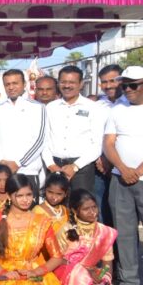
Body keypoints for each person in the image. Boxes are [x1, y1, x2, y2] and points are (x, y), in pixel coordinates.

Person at [103, 65, 143, 285]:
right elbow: (108, 143)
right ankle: (129, 281)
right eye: (125, 85)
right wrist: (123, 169)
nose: (128, 89)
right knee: (124, 233)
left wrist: (138, 171)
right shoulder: (118, 109)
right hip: (120, 179)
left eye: (133, 85)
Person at [54, 188, 125, 285]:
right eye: (86, 209)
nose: (92, 212)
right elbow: (57, 259)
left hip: (93, 276)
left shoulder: (104, 232)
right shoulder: (66, 230)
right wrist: (84, 270)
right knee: (81, 275)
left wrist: (103, 278)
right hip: (67, 275)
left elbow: (107, 263)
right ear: (75, 211)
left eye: (94, 207)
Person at [42, 65, 106, 193]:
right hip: (54, 165)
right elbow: (44, 139)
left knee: (81, 203)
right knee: (55, 203)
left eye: (72, 82)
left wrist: (75, 166)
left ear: (81, 84)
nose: (67, 86)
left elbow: (98, 143)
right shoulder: (50, 108)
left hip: (82, 168)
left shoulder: (93, 108)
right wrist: (51, 164)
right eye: (63, 82)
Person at [0, 69, 46, 190]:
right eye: (7, 84)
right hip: (3, 174)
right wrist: (1, 162)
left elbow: (40, 140)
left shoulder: (37, 108)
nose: (11, 87)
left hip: (28, 171)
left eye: (15, 83)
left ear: (24, 84)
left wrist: (18, 163)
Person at [94, 64, 125, 224]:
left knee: (123, 212)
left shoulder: (130, 104)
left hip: (124, 167)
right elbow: (93, 134)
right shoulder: (98, 106)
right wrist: (99, 156)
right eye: (104, 82)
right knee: (101, 209)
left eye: (113, 80)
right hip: (100, 165)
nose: (108, 85)